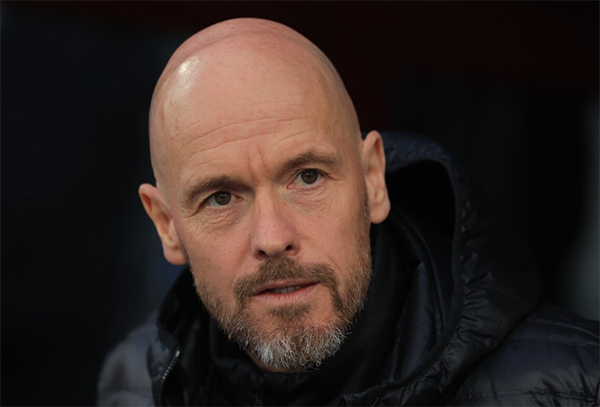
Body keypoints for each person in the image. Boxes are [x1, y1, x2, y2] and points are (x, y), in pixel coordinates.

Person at [98, 18, 600, 407]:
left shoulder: (571, 387)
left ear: (373, 180)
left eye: (308, 176)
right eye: (222, 198)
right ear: (167, 225)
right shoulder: (135, 387)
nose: (272, 237)